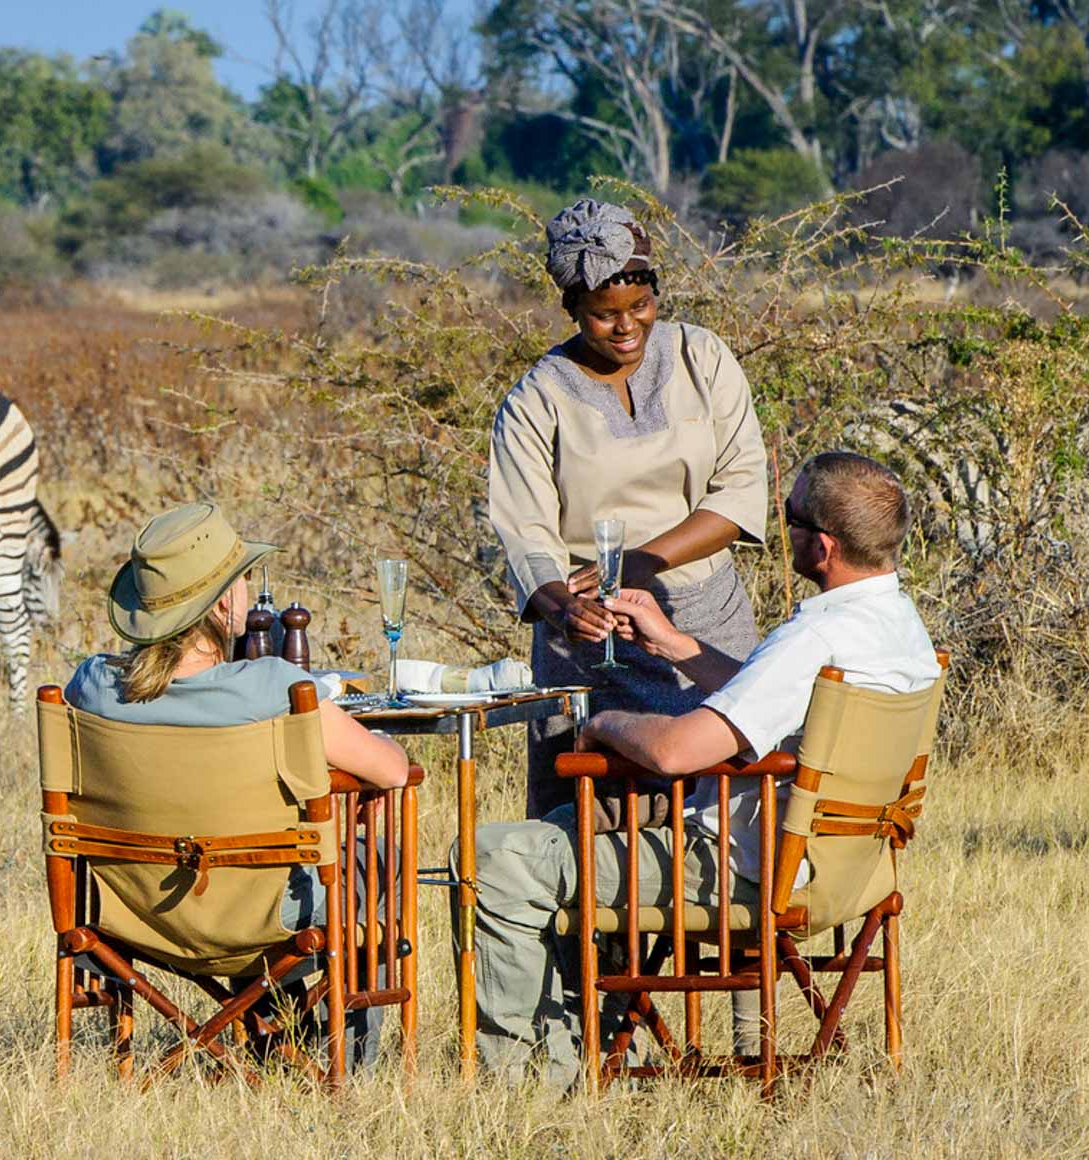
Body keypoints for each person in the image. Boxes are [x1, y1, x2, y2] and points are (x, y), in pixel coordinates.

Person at [467, 452, 941, 1090]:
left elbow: (674, 753)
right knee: (560, 832)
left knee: (495, 856)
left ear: (822, 545)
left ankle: (530, 1079)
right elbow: (772, 697)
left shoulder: (817, 637)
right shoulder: (898, 627)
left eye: (791, 516)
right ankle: (605, 1045)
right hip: (847, 868)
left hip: (742, 870)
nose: (784, 527)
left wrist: (602, 722)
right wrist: (674, 643)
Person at [67, 500, 409, 1067]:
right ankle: (344, 1055)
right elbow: (391, 772)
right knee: (375, 853)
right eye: (244, 576)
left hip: (131, 909)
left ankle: (271, 1029)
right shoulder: (276, 687)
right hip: (264, 913)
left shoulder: (90, 687)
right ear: (226, 601)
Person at [489, 197, 770, 822]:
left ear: (657, 294)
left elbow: (741, 493)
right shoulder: (536, 398)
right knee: (587, 820)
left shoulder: (703, 358)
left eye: (639, 307)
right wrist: (567, 611)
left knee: (723, 811)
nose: (625, 327)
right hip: (589, 645)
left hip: (706, 625)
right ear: (570, 310)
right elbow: (525, 533)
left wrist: (644, 562)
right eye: (602, 315)